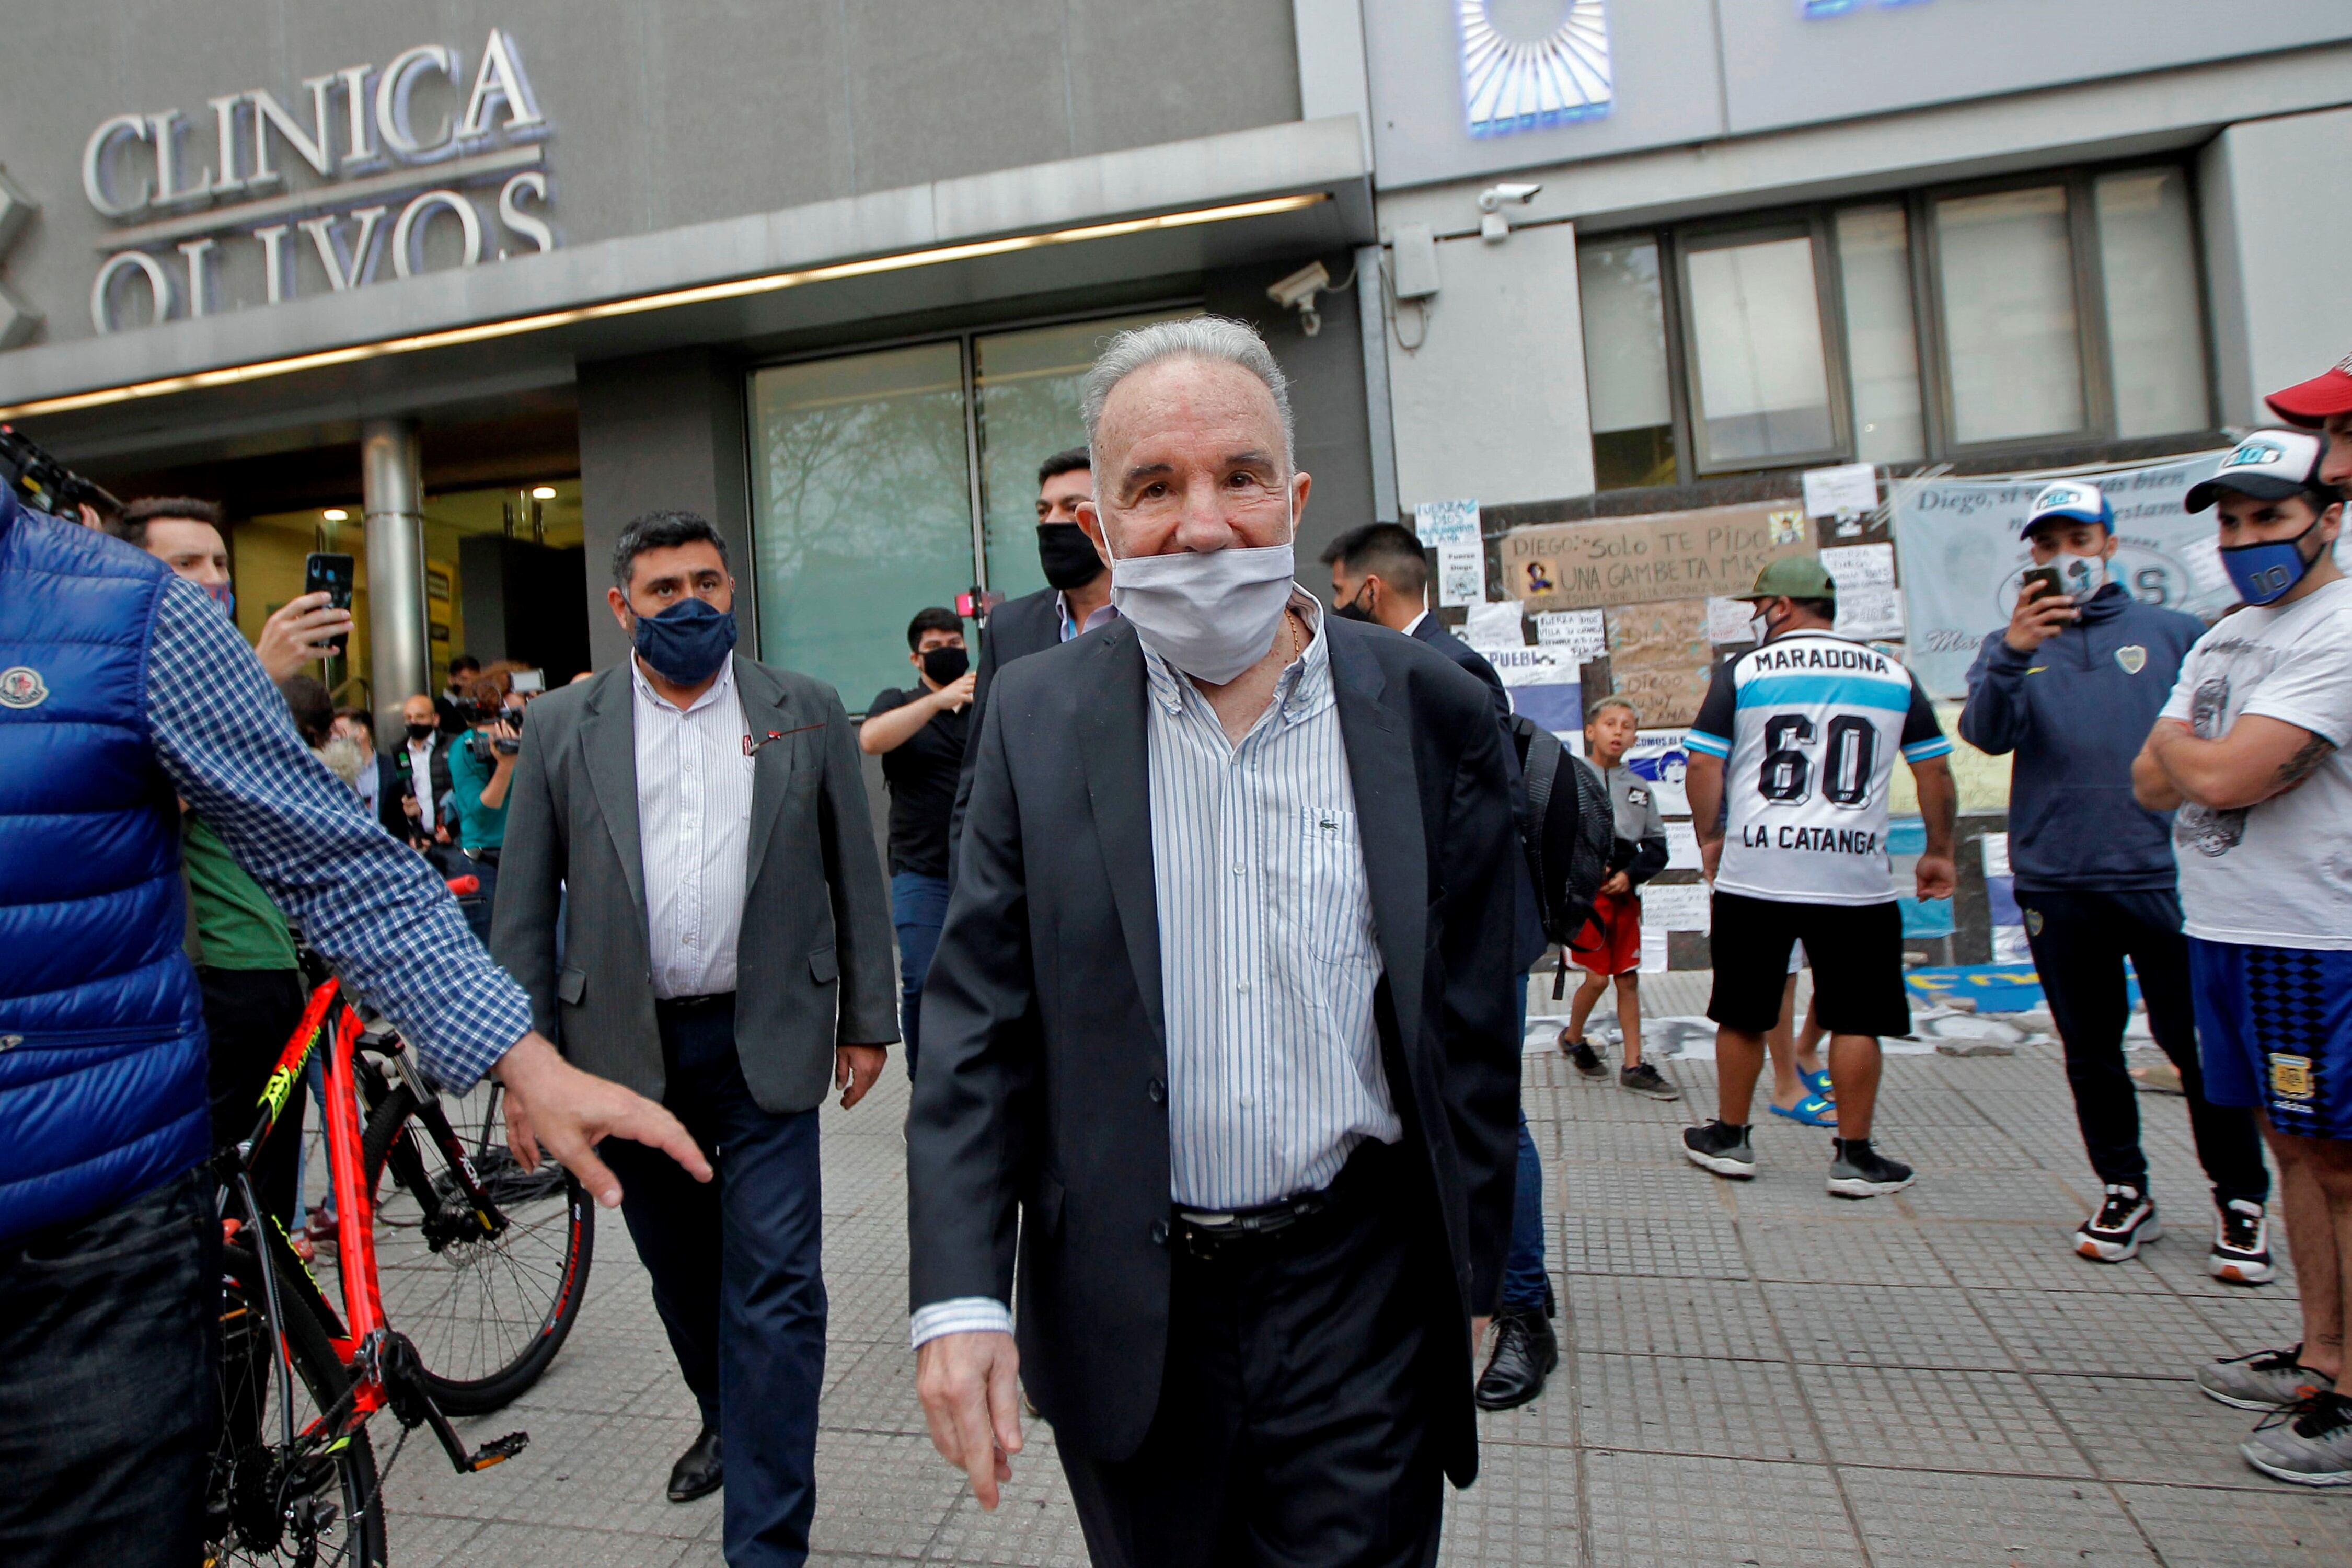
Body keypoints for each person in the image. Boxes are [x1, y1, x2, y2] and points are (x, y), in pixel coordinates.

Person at [0, 483, 708, 1568]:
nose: (209, 583)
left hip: (88, 1237)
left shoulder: (124, 612)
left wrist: (518, 1055)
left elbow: (334, 858)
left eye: (219, 564)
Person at [907, 317, 1521, 1566]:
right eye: (1151, 486)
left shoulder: (1425, 711)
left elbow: (1468, 1020)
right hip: (1129, 1309)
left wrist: (1478, 1267)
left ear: (1292, 497)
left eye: (1237, 478)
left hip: (1359, 1295)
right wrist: (961, 1289)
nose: (1199, 525)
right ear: (1100, 526)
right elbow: (976, 1019)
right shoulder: (1033, 717)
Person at [493, 509, 898, 1565]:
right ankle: (728, 1413)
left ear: (733, 590)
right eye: (664, 589)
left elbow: (854, 875)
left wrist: (866, 1021)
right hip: (619, 1056)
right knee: (683, 1277)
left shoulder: (802, 710)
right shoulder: (561, 726)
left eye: (707, 583)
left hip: (765, 1042)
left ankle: (765, 1543)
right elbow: (524, 910)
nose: (690, 604)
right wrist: (522, 1071)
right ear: (623, 605)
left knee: (776, 1287)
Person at [1962, 479, 2269, 1276]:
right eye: (2048, 543)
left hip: (2166, 877)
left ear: (2109, 543)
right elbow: (1986, 736)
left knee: (2199, 1046)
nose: (2065, 556)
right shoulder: (2012, 646)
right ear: (2031, 554)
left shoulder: (2175, 634)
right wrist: (2014, 652)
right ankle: (2124, 1187)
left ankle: (2240, 1197)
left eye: (2079, 539)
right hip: (2058, 881)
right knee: (2090, 1049)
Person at [2131, 429, 2352, 1485]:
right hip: (2225, 928)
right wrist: (2201, 760)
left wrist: (2198, 760)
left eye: (2269, 516)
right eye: (2229, 522)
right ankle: (2322, 1354)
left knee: (2342, 1164)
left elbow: (2216, 777)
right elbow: (2153, 779)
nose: (2246, 539)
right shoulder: (2224, 638)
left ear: (2329, 516)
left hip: (2318, 938)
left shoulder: (2341, 627)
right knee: (2293, 1149)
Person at [1320, 518, 1561, 1412]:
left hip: (1470, 944)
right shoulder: (1419, 667)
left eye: (1340, 597)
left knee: (1489, 1113)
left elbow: (1473, 837)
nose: (1334, 616)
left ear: (1370, 592)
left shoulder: (1448, 671)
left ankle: (1521, 1310)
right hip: (1437, 940)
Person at [102, 498, 350, 1232]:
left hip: (270, 969)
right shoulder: (126, 676)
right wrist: (257, 673)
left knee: (266, 1203)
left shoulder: (221, 675)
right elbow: (133, 813)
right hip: (211, 977)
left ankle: (264, 1343)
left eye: (219, 564)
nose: (210, 580)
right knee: (217, 1204)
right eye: (185, 564)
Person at [1681, 556, 1956, 1198]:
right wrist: (1939, 848)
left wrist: (1711, 836)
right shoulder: (1894, 674)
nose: (1755, 618)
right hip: (1854, 874)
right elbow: (1936, 773)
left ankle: (1730, 1137)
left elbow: (1702, 764)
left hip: (1759, 869)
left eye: (1758, 607)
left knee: (1743, 1012)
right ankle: (1855, 1155)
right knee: (1857, 1016)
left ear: (1782, 606)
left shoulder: (1744, 672)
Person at [949, 448, 1113, 857]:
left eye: (1071, 507)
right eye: (1043, 511)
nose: (1052, 522)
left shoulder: (1155, 620)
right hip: (1037, 872)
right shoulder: (1010, 627)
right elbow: (979, 778)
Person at [860, 607, 976, 1077]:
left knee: (985, 984)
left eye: (955, 644)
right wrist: (936, 700)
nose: (947, 652)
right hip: (921, 872)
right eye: (935, 648)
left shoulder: (987, 701)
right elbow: (871, 739)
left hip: (984, 871)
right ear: (915, 658)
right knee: (924, 980)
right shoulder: (899, 701)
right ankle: (927, 1091)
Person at [1555, 695, 1676, 1100]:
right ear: (1590, 732)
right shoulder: (1570, 778)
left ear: (1636, 737)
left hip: (1625, 899)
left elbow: (1657, 848)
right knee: (1597, 978)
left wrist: (1630, 875)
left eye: (1627, 725)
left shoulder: (1640, 789)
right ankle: (1573, 1037)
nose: (1618, 731)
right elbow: (1554, 838)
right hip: (1588, 901)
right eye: (1610, 723)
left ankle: (1634, 1064)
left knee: (1628, 978)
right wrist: (1585, 871)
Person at [446, 668, 522, 940]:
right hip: (485, 864)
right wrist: (506, 764)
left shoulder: (532, 740)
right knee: (492, 951)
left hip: (525, 860)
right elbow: (482, 812)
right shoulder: (467, 748)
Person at [337, 705, 410, 839]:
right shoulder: (335, 774)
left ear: (362, 732)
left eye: (340, 732)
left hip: (392, 848)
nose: (336, 739)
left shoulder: (394, 766)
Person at [396, 691, 456, 848]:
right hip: (420, 842)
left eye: (420, 717)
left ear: (435, 719)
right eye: (408, 718)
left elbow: (465, 792)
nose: (413, 722)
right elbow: (400, 798)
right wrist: (413, 833)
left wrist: (454, 829)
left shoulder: (454, 746)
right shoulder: (399, 752)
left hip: (453, 838)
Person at [436, 652, 482, 734]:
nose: (469, 685)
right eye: (464, 679)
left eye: (475, 681)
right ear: (451, 679)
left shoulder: (480, 705)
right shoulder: (437, 707)